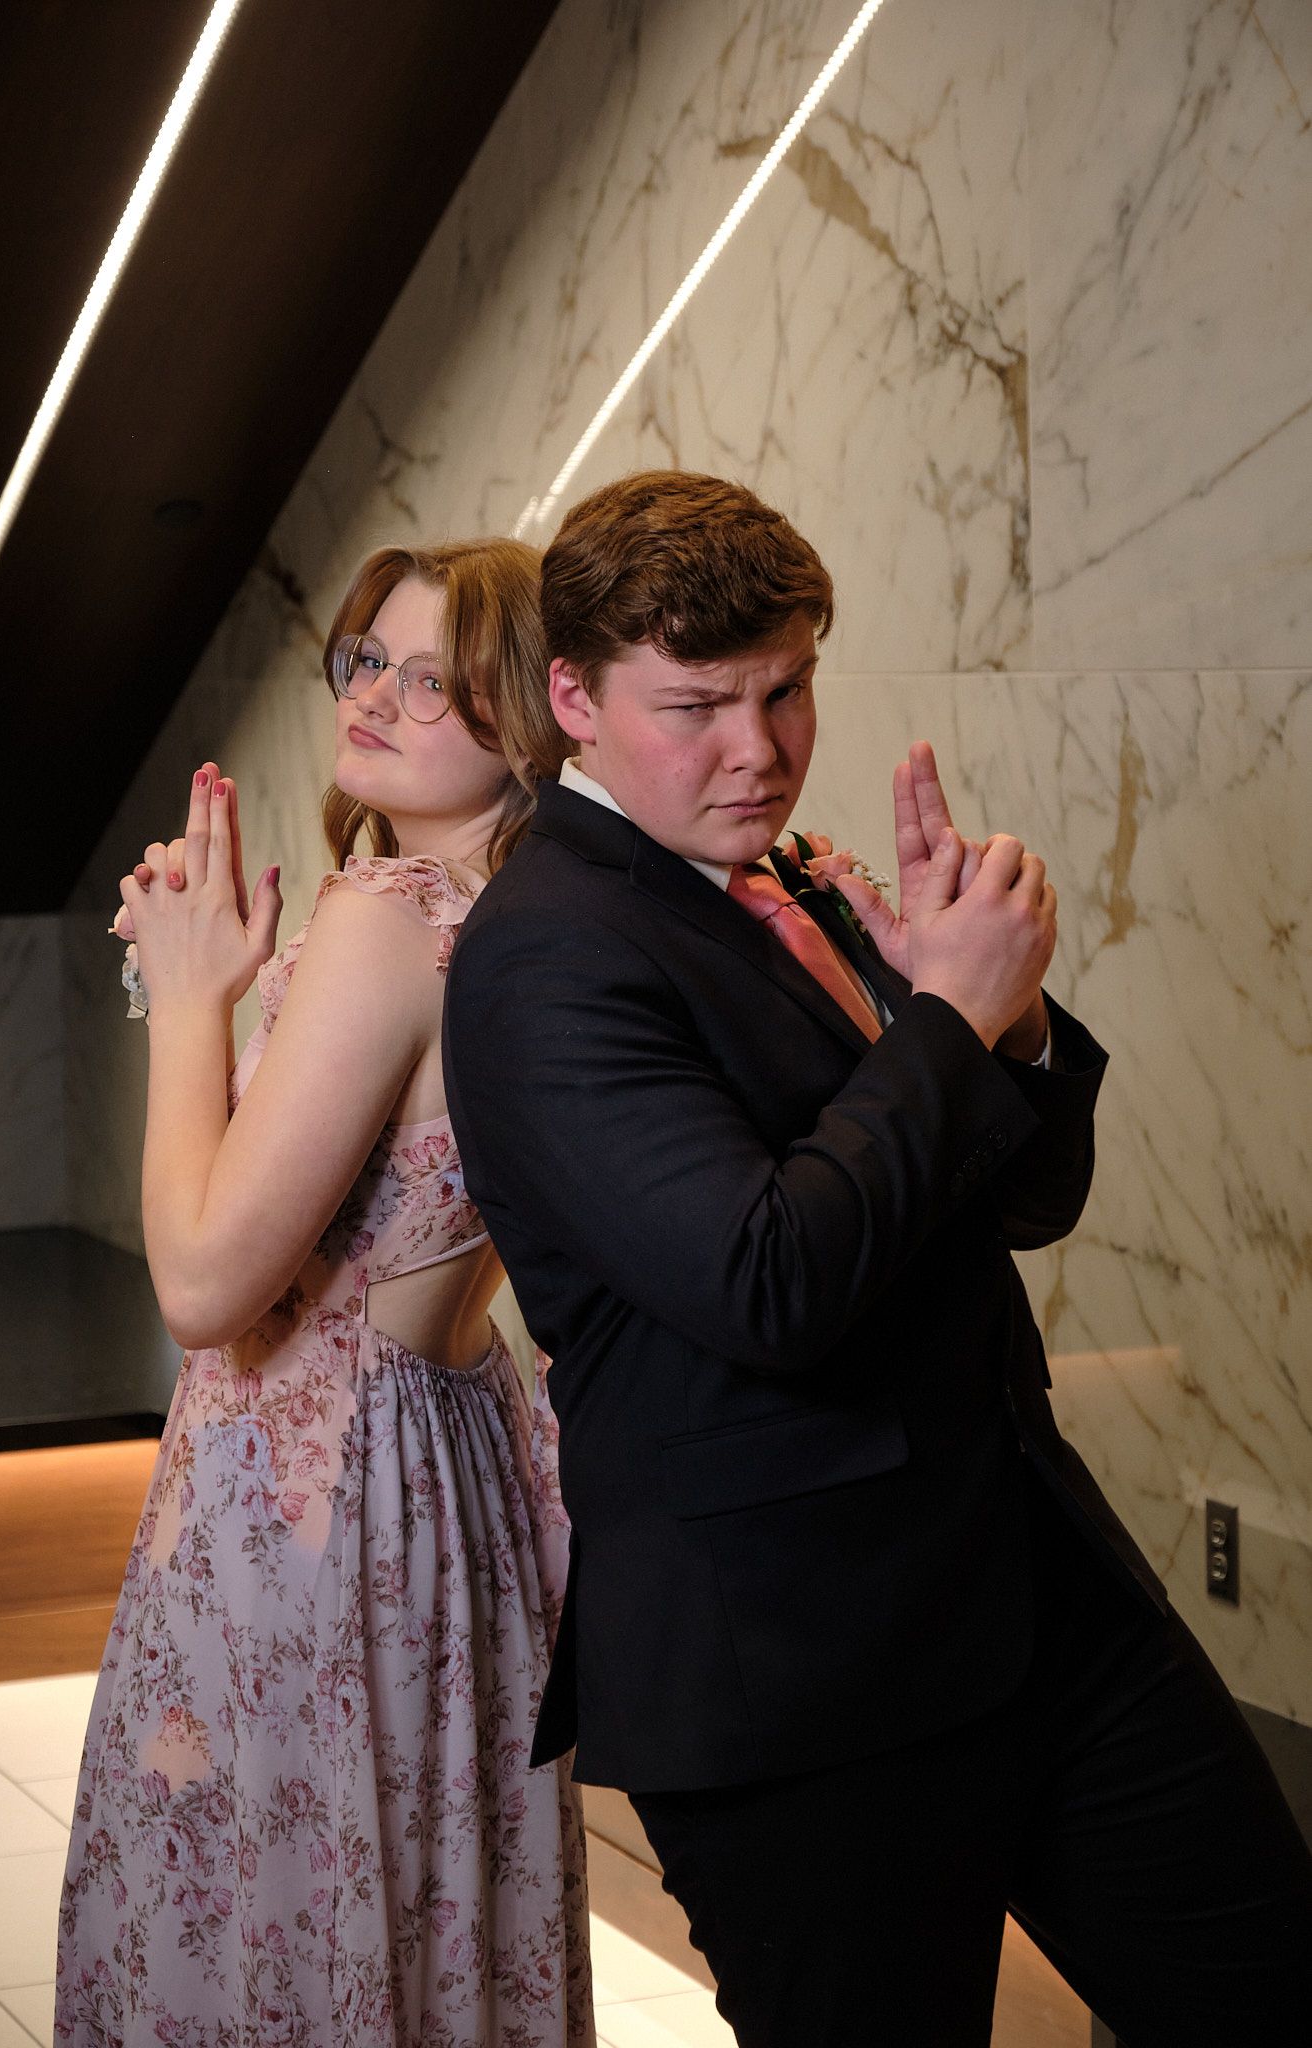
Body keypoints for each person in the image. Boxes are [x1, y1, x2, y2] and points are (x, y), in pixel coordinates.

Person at [440, 471, 1312, 2047]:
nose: (756, 750)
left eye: (786, 691)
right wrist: (939, 1022)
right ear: (570, 698)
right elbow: (763, 1284)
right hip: (797, 1683)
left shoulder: (777, 885)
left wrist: (1008, 1020)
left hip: (1034, 1598)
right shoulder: (543, 952)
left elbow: (1020, 1200)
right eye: (694, 706)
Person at [56, 540, 593, 2047]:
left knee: (274, 1928)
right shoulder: (528, 915)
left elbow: (207, 1284)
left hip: (316, 1492)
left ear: (529, 722)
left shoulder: (389, 919)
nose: (381, 697)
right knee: (417, 1917)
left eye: (441, 681)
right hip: (445, 1465)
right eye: (370, 658)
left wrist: (184, 995)